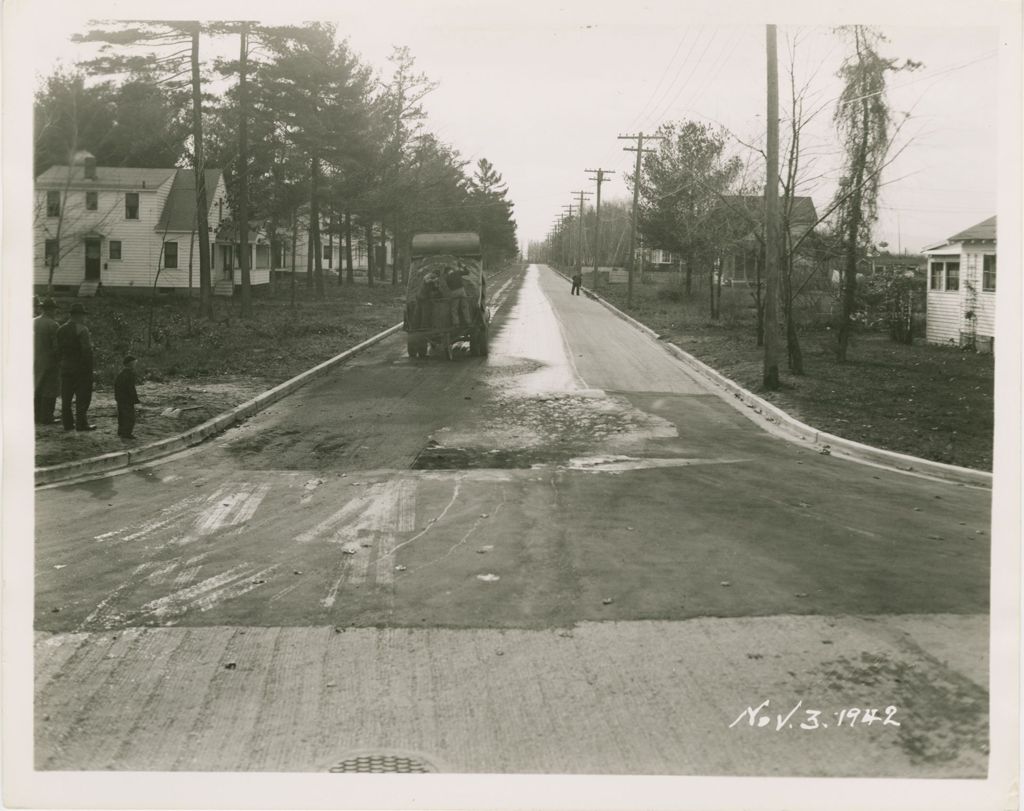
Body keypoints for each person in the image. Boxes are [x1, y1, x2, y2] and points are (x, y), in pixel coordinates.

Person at [56, 302, 95, 431]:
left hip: (65, 366)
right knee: (82, 397)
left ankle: (67, 424)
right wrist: (89, 369)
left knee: (66, 397)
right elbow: (86, 351)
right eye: (83, 315)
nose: (84, 318)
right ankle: (81, 424)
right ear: (78, 315)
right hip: (80, 368)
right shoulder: (82, 329)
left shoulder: (61, 329)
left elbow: (58, 350)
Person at [33, 298, 61, 425]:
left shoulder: (32, 322)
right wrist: (59, 359)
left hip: (33, 360)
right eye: (54, 309)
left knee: (36, 386)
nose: (55, 312)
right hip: (49, 361)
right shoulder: (53, 325)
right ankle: (47, 417)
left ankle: (36, 415)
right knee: (49, 389)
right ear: (50, 310)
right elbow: (57, 346)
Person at [114, 355, 141, 439]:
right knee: (130, 417)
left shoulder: (120, 374)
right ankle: (127, 433)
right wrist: (135, 399)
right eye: (134, 363)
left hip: (120, 398)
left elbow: (116, 386)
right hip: (127, 399)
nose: (135, 365)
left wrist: (117, 397)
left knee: (121, 415)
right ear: (131, 364)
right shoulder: (130, 374)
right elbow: (131, 388)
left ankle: (121, 431)